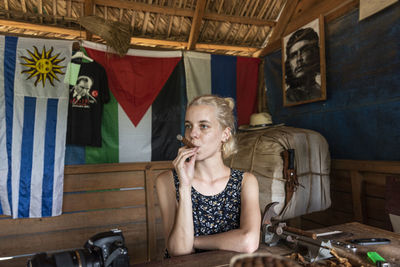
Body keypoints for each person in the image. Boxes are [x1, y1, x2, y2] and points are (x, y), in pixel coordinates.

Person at [156, 95, 261, 257]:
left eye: (203, 126)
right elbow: (179, 251)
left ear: (225, 135)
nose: (193, 134)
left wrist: (195, 241)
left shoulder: (245, 181)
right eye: (188, 126)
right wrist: (185, 186)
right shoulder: (166, 181)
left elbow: (248, 242)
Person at [284, 27, 322, 104]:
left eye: (304, 51)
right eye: (293, 55)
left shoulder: (320, 91)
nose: (299, 59)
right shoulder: (288, 98)